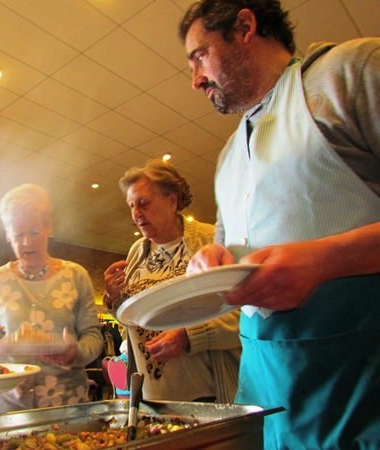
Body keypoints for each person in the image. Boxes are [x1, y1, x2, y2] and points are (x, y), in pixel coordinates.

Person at [179, 1, 380, 448]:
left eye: (199, 56)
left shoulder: (349, 73)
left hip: (360, 380)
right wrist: (211, 263)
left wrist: (329, 260)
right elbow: (224, 248)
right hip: (270, 387)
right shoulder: (227, 157)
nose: (195, 80)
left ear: (246, 26)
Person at [103, 159, 241, 404]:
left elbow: (244, 310)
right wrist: (115, 299)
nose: (136, 213)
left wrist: (190, 335)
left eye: (144, 203)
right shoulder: (137, 251)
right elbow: (135, 318)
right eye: (131, 206)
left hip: (207, 394)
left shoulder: (209, 240)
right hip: (151, 395)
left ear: (172, 201)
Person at [0, 184, 103, 414]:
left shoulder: (75, 275)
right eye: (17, 234)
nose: (26, 242)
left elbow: (94, 336)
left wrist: (76, 352)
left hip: (66, 403)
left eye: (34, 231)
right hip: (7, 407)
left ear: (49, 227)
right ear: (7, 235)